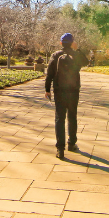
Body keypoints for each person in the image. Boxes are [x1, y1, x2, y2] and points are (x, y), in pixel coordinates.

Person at [44, 32, 88, 160]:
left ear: (61, 43)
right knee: (72, 116)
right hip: (73, 90)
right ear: (72, 43)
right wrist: (77, 49)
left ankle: (60, 149)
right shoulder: (76, 55)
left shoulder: (56, 55)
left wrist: (47, 89)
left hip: (59, 91)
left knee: (59, 118)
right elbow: (86, 61)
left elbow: (49, 74)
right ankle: (72, 143)